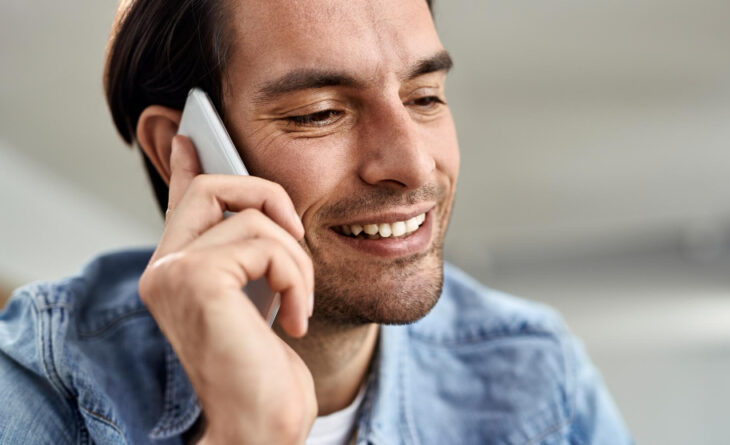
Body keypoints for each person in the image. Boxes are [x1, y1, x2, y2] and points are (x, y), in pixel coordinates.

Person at [0, 0, 632, 443]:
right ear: (181, 149)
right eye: (320, 112)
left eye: (426, 98)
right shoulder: (40, 381)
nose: (413, 165)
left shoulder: (537, 376)